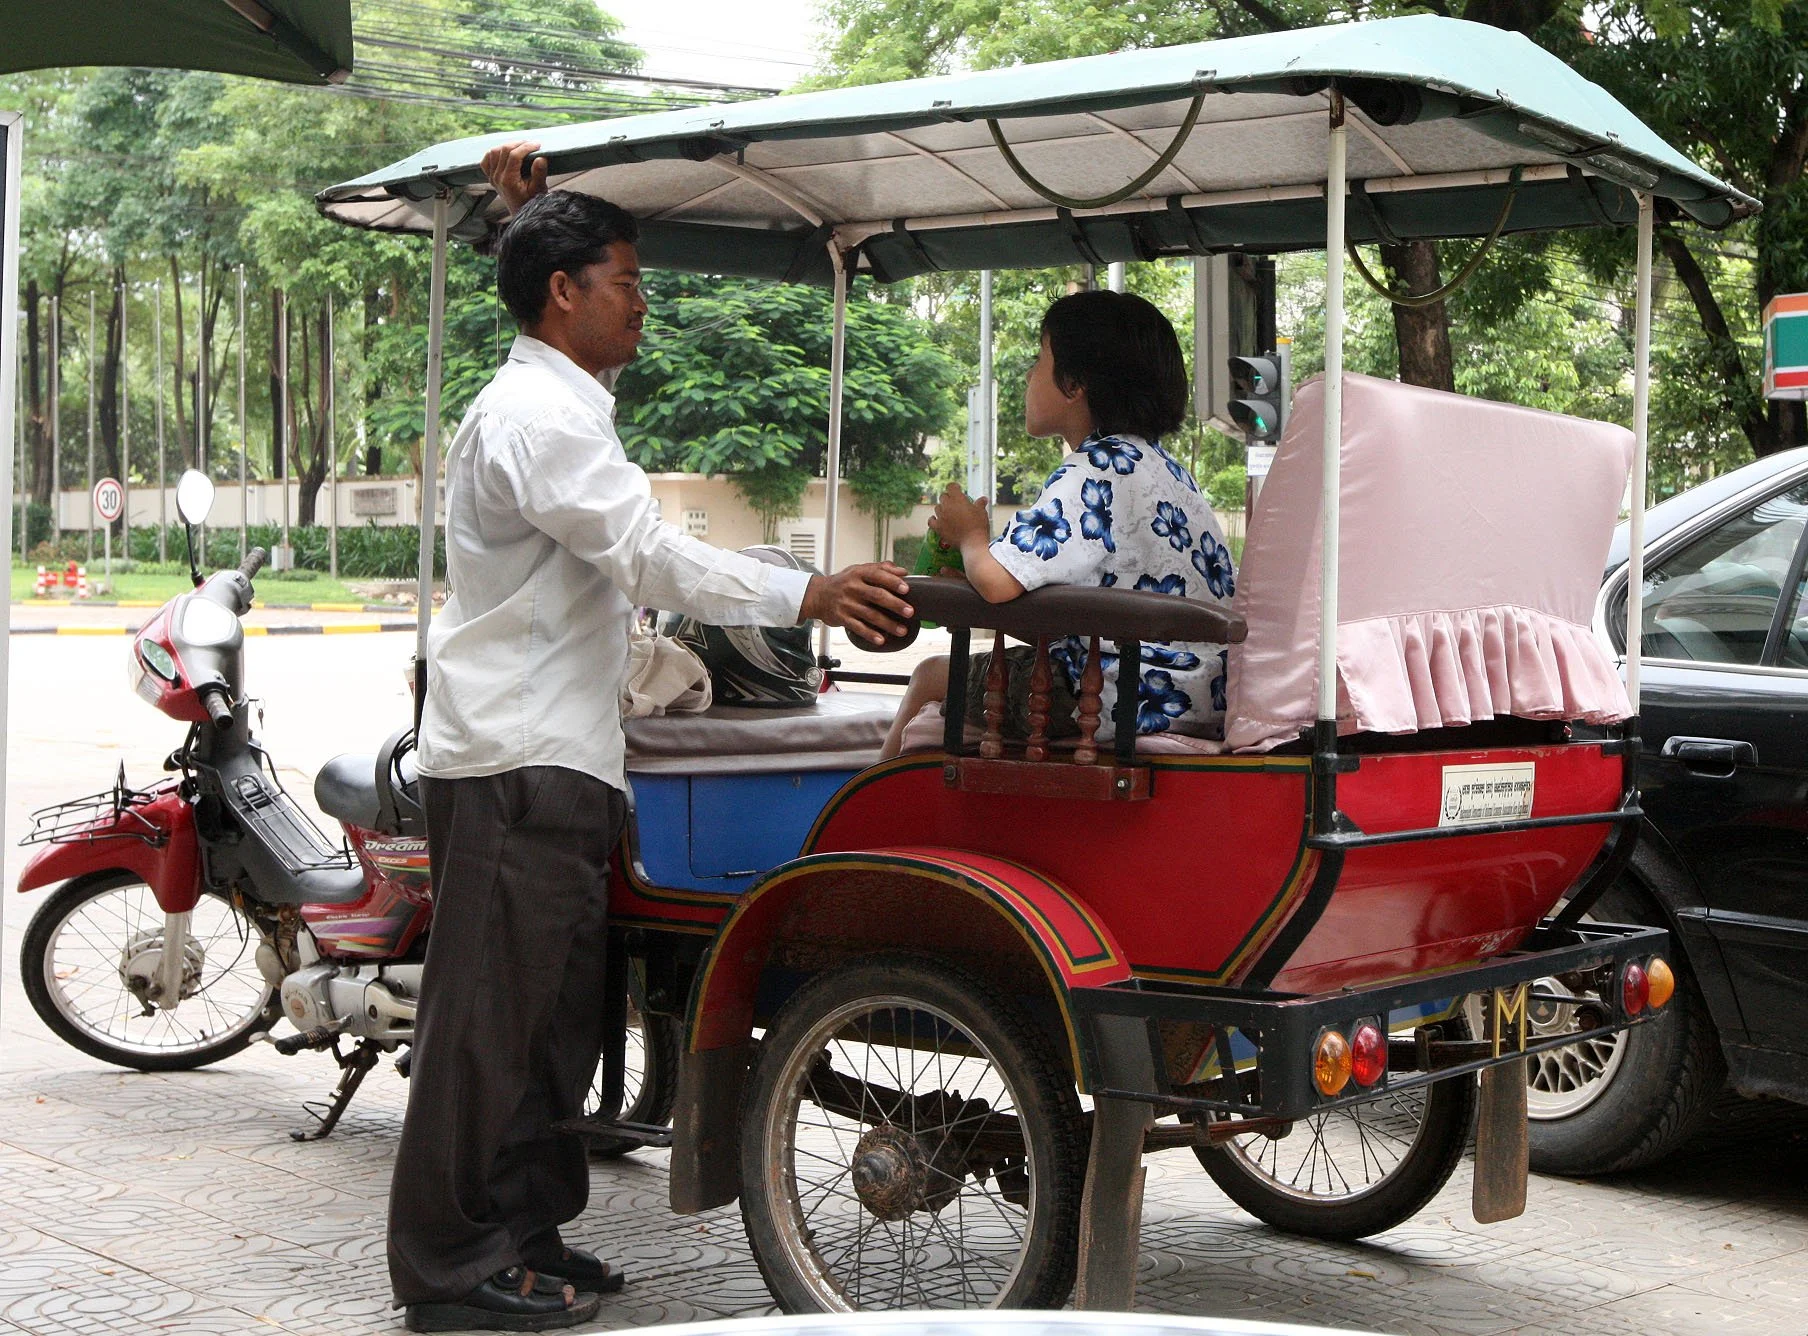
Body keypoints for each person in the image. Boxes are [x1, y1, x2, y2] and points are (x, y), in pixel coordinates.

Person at [389, 158, 915, 1332]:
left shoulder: (564, 407)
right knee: (487, 1027)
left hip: (563, 753)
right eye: (626, 282)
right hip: (514, 759)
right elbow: (649, 556)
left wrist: (529, 214)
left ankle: (524, 1233)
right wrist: (808, 591)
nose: (644, 304)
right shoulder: (535, 416)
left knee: (551, 1023)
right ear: (564, 293)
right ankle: (448, 1267)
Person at [878, 289, 1234, 760]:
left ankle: (862, 813)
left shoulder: (1093, 469)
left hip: (1117, 692)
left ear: (1074, 384)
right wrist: (971, 574)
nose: (1028, 375)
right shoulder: (1168, 472)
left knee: (930, 675)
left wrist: (970, 537)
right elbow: (1087, 616)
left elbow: (1000, 583)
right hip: (1200, 694)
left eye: (1038, 358)